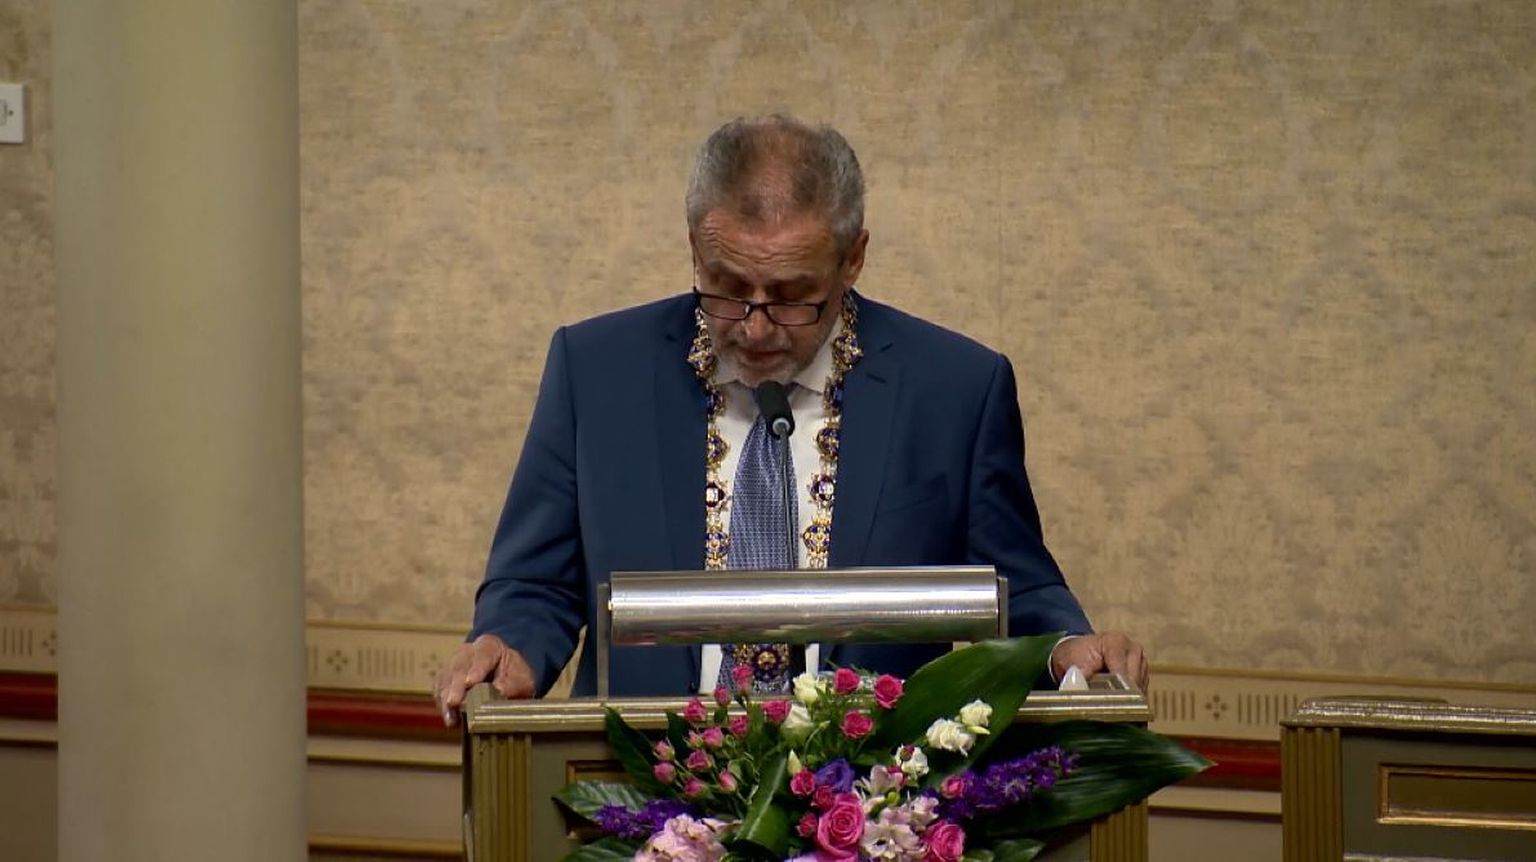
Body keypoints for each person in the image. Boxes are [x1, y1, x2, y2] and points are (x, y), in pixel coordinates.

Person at [435, 115, 1146, 724]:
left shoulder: (953, 388)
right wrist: (508, 645)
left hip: (873, 801)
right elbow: (537, 583)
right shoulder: (596, 371)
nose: (755, 326)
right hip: (635, 791)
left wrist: (1068, 648)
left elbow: (1013, 588)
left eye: (791, 295)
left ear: (853, 258)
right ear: (695, 246)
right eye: (727, 287)